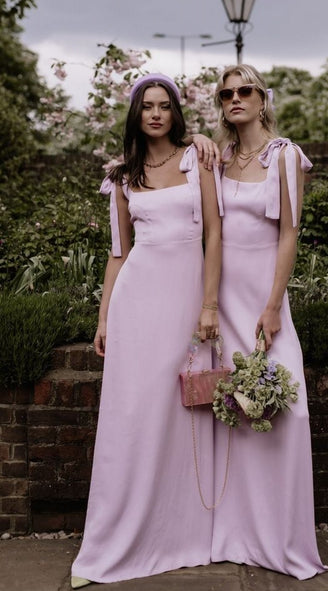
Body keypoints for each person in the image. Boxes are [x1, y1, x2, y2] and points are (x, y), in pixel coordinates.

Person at [71, 73, 222, 588]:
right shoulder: (121, 175)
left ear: (176, 113)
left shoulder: (196, 158)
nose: (155, 114)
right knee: (133, 413)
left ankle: (183, 531)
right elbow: (118, 252)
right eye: (146, 107)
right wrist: (104, 317)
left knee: (181, 412)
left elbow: (216, 234)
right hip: (137, 300)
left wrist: (209, 305)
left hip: (184, 302)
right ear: (135, 115)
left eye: (164, 106)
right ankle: (126, 532)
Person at [206, 64, 328, 580]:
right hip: (221, 302)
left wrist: (275, 305)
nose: (236, 98)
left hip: (262, 303)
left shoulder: (285, 156)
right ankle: (234, 534)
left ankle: (281, 537)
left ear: (262, 100)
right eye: (226, 93)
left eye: (245, 90)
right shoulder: (220, 157)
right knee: (231, 419)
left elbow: (289, 236)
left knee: (287, 413)